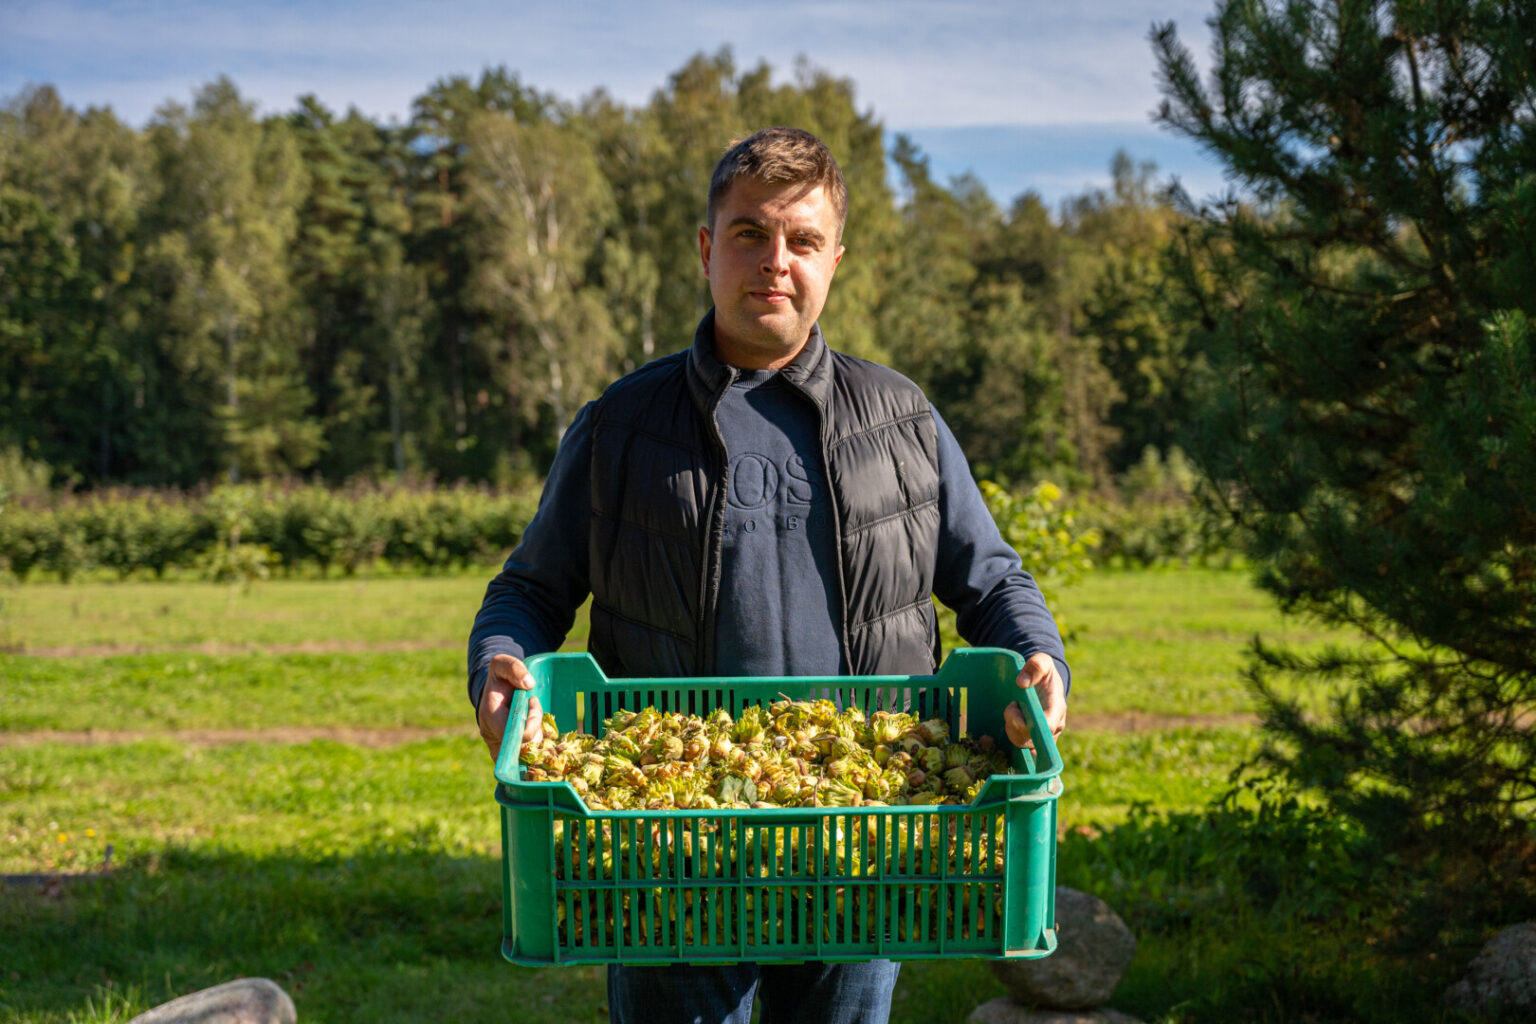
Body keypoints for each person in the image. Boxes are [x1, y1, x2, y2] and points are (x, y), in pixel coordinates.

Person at [468, 126, 1069, 1024]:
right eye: (750, 234)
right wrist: (498, 663)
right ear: (709, 250)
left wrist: (1040, 659)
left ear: (835, 258)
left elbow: (993, 583)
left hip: (866, 836)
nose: (774, 263)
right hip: (667, 850)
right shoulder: (621, 427)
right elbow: (529, 590)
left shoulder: (902, 422)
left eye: (803, 240)